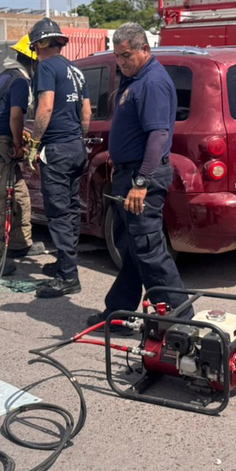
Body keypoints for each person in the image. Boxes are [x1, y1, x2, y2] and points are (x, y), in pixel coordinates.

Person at [54, 24, 189, 329]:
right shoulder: (134, 80)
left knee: (149, 251)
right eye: (117, 56)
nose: (121, 61)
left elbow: (158, 135)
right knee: (131, 249)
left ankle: (181, 322)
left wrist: (141, 183)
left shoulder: (152, 82)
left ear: (145, 49)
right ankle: (120, 313)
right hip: (127, 176)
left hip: (141, 178)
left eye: (126, 55)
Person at [26, 18, 91, 296]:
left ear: (40, 44)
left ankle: (68, 277)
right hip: (76, 148)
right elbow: (86, 113)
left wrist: (34, 143)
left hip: (57, 150)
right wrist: (77, 139)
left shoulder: (46, 68)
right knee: (72, 210)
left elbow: (46, 106)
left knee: (58, 213)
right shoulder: (76, 71)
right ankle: (65, 263)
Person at [0, 36, 46, 275]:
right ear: (33, 61)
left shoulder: (7, 76)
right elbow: (15, 116)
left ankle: (18, 244)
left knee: (19, 194)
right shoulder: (21, 82)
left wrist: (16, 137)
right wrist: (17, 144)